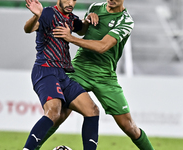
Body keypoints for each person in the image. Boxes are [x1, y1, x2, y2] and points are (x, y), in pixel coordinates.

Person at [53, 0, 155, 149]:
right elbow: (82, 31)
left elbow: (102, 47)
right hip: (80, 69)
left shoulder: (126, 21)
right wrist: (86, 22)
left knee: (129, 127)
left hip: (105, 76)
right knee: (59, 113)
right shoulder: (95, 7)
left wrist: (71, 38)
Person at [23, 0, 99, 150]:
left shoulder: (71, 18)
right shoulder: (48, 13)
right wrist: (36, 16)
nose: (71, 3)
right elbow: (28, 29)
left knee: (92, 110)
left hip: (62, 74)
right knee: (54, 111)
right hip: (45, 69)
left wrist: (88, 19)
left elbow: (81, 29)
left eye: (74, 0)